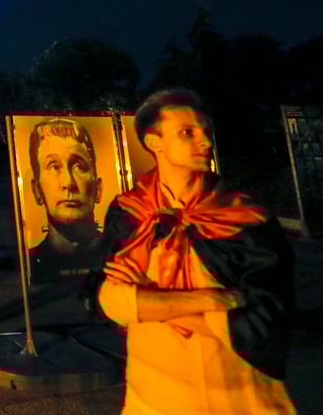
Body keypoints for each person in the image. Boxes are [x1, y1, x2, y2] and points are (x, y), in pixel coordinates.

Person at [91, 89, 296, 414]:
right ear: (153, 141)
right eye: (187, 133)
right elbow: (106, 300)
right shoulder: (129, 213)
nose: (205, 141)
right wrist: (213, 300)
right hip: (151, 399)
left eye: (205, 131)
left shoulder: (246, 217)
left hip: (237, 399)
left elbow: (264, 328)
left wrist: (149, 301)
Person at [26, 118, 104, 279]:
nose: (68, 183)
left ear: (98, 189)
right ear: (37, 191)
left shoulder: (122, 256)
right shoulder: (31, 262)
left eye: (78, 167)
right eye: (54, 166)